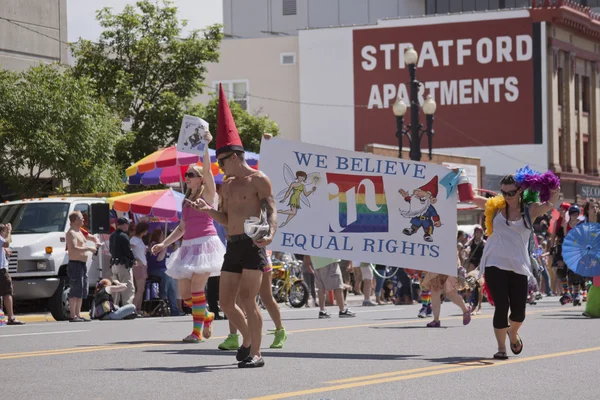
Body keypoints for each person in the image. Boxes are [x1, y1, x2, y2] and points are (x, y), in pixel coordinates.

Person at [188, 86, 275, 368]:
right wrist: (208, 210)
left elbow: (272, 210)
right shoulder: (226, 184)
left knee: (250, 301)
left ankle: (257, 353)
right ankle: (248, 340)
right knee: (226, 303)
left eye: (222, 161)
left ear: (235, 157)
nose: (219, 166)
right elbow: (226, 219)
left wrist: (269, 234)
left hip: (253, 244)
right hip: (233, 245)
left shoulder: (259, 180)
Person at [470, 174, 559, 360]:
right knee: (501, 305)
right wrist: (460, 177)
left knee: (519, 312)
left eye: (511, 192)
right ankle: (501, 348)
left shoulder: (530, 210)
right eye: (503, 192)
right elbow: (470, 197)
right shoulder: (495, 207)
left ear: (520, 191)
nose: (507, 196)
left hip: (519, 265)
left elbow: (550, 203)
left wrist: (552, 186)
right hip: (494, 262)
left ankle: (512, 331)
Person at [152, 130, 224, 344]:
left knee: (196, 288)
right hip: (188, 247)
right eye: (187, 175)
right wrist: (164, 243)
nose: (187, 177)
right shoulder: (185, 200)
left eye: (191, 174)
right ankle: (207, 315)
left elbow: (210, 172)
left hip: (205, 245)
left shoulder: (209, 194)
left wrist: (204, 146)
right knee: (185, 296)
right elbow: (182, 228)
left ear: (201, 178)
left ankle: (196, 332)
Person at [218, 249, 287, 351]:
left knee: (266, 297)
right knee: (236, 300)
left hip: (260, 258)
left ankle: (280, 330)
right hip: (238, 257)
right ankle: (233, 337)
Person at [421, 244, 472, 328]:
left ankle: (465, 310)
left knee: (451, 293)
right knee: (435, 291)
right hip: (435, 256)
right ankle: (436, 320)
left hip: (448, 259)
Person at [146, 229, 183, 316]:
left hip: (164, 270)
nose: (164, 237)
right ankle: (163, 295)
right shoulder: (154, 245)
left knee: (172, 281)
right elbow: (159, 259)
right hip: (155, 270)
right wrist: (164, 247)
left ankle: (174, 309)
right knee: (167, 276)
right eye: (162, 235)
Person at [109, 217, 136, 307]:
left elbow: (110, 250)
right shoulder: (124, 236)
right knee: (127, 287)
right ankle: (127, 308)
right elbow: (128, 251)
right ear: (124, 225)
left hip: (114, 265)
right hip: (123, 265)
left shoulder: (112, 235)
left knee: (116, 289)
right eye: (127, 224)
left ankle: (114, 307)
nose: (128, 226)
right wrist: (133, 259)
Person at [0, 223, 24, 325]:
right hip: (1, 271)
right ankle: (11, 317)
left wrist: (4, 251)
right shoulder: (1, 238)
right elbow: (7, 243)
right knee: (7, 293)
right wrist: (9, 231)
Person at [130, 222, 149, 315]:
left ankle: (138, 308)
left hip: (143, 265)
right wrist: (136, 259)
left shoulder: (139, 239)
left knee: (141, 289)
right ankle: (134, 308)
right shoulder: (134, 239)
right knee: (140, 289)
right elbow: (130, 250)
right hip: (139, 266)